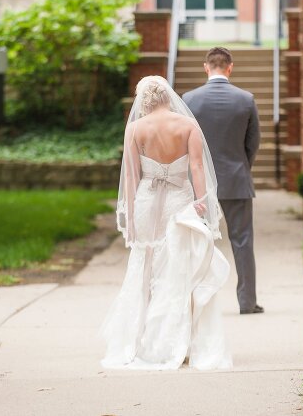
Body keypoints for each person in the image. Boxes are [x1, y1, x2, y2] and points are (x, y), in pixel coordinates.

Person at [99, 76, 231, 370]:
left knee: (144, 266)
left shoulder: (135, 128)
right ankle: (176, 341)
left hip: (146, 203)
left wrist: (130, 215)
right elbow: (197, 167)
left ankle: (139, 340)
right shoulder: (187, 126)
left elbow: (132, 176)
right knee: (178, 268)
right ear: (169, 98)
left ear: (143, 102)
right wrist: (202, 205)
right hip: (179, 202)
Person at [183, 47, 262, 314]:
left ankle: (199, 303)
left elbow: (184, 144)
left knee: (200, 244)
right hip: (237, 180)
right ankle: (247, 302)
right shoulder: (246, 99)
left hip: (200, 185)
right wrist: (242, 167)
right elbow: (253, 143)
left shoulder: (190, 100)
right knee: (242, 241)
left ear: (206, 67)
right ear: (230, 67)